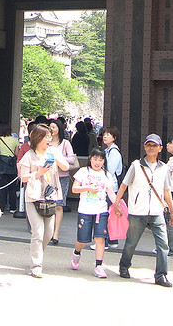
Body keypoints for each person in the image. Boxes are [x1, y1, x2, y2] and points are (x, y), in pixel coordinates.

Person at [114, 133, 173, 288]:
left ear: (160, 148)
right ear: (144, 147)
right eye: (149, 145)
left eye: (154, 145)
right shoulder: (136, 165)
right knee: (131, 242)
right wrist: (117, 203)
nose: (151, 148)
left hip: (157, 212)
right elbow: (124, 185)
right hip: (138, 212)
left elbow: (167, 190)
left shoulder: (163, 168)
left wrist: (172, 211)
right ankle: (124, 266)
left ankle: (161, 275)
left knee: (163, 244)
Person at [19, 124, 68, 278]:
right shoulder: (29, 155)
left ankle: (37, 251)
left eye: (49, 136)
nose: (49, 139)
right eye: (46, 136)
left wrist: (56, 158)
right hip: (33, 197)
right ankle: (36, 265)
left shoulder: (53, 151)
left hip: (50, 197)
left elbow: (66, 167)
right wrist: (38, 172)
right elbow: (23, 177)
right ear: (37, 138)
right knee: (38, 232)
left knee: (47, 233)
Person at [70, 147, 116, 278]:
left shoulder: (107, 175)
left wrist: (117, 205)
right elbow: (74, 189)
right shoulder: (83, 172)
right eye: (95, 159)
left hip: (101, 211)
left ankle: (99, 266)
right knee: (82, 240)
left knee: (100, 238)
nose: (98, 162)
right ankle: (77, 253)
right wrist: (88, 187)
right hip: (85, 210)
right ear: (90, 158)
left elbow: (111, 193)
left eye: (101, 160)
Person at [48, 119, 76, 245]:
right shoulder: (46, 142)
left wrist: (59, 159)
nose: (51, 129)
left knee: (59, 205)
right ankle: (48, 231)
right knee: (48, 204)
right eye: (50, 127)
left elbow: (72, 159)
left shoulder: (65, 143)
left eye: (53, 127)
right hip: (48, 176)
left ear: (59, 129)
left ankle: (56, 233)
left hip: (62, 176)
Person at [101, 126, 123, 248]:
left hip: (111, 187)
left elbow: (110, 170)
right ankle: (111, 240)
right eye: (104, 134)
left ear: (114, 138)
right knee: (109, 213)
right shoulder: (107, 151)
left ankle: (108, 240)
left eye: (109, 135)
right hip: (108, 186)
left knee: (107, 214)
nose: (105, 136)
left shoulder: (114, 152)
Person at [0, 123, 19, 213]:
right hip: (12, 165)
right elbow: (16, 154)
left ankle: (1, 208)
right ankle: (13, 208)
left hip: (1, 166)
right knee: (12, 188)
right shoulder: (15, 140)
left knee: (1, 187)